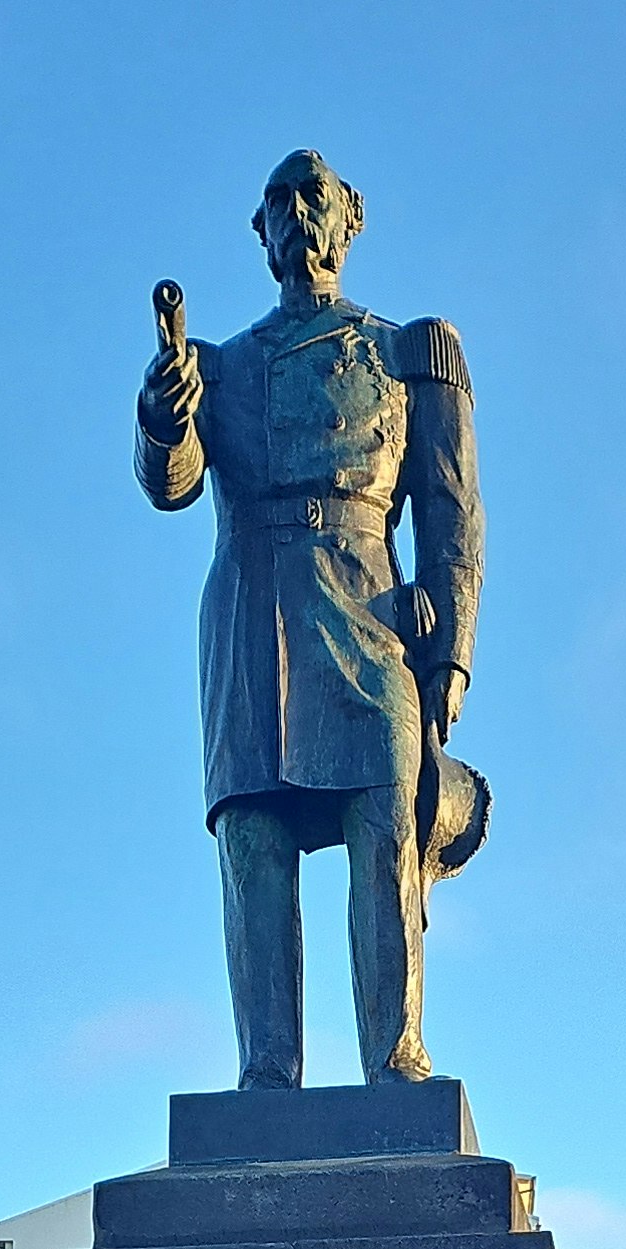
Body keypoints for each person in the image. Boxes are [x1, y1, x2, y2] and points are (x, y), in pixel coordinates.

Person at [137, 151, 485, 1087]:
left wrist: (449, 661)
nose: (295, 216)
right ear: (261, 236)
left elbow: (453, 518)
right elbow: (170, 487)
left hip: (370, 622)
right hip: (251, 619)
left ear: (349, 218)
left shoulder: (410, 352)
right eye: (277, 205)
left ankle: (395, 1058)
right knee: (253, 839)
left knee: (386, 828)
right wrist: (166, 421)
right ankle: (267, 1072)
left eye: (311, 198)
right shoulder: (217, 365)